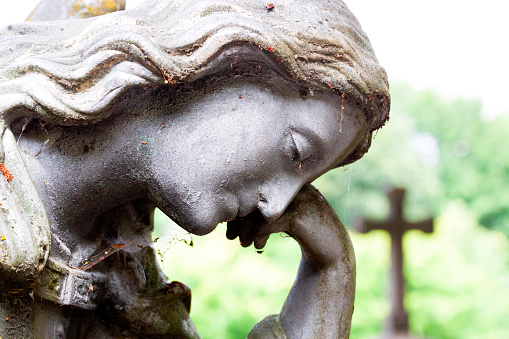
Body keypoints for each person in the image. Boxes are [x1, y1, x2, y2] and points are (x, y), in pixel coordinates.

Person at [0, 0, 389, 337]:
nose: (277, 208)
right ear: (224, 61)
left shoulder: (124, 288)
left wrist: (332, 268)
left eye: (304, 183)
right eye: (296, 150)